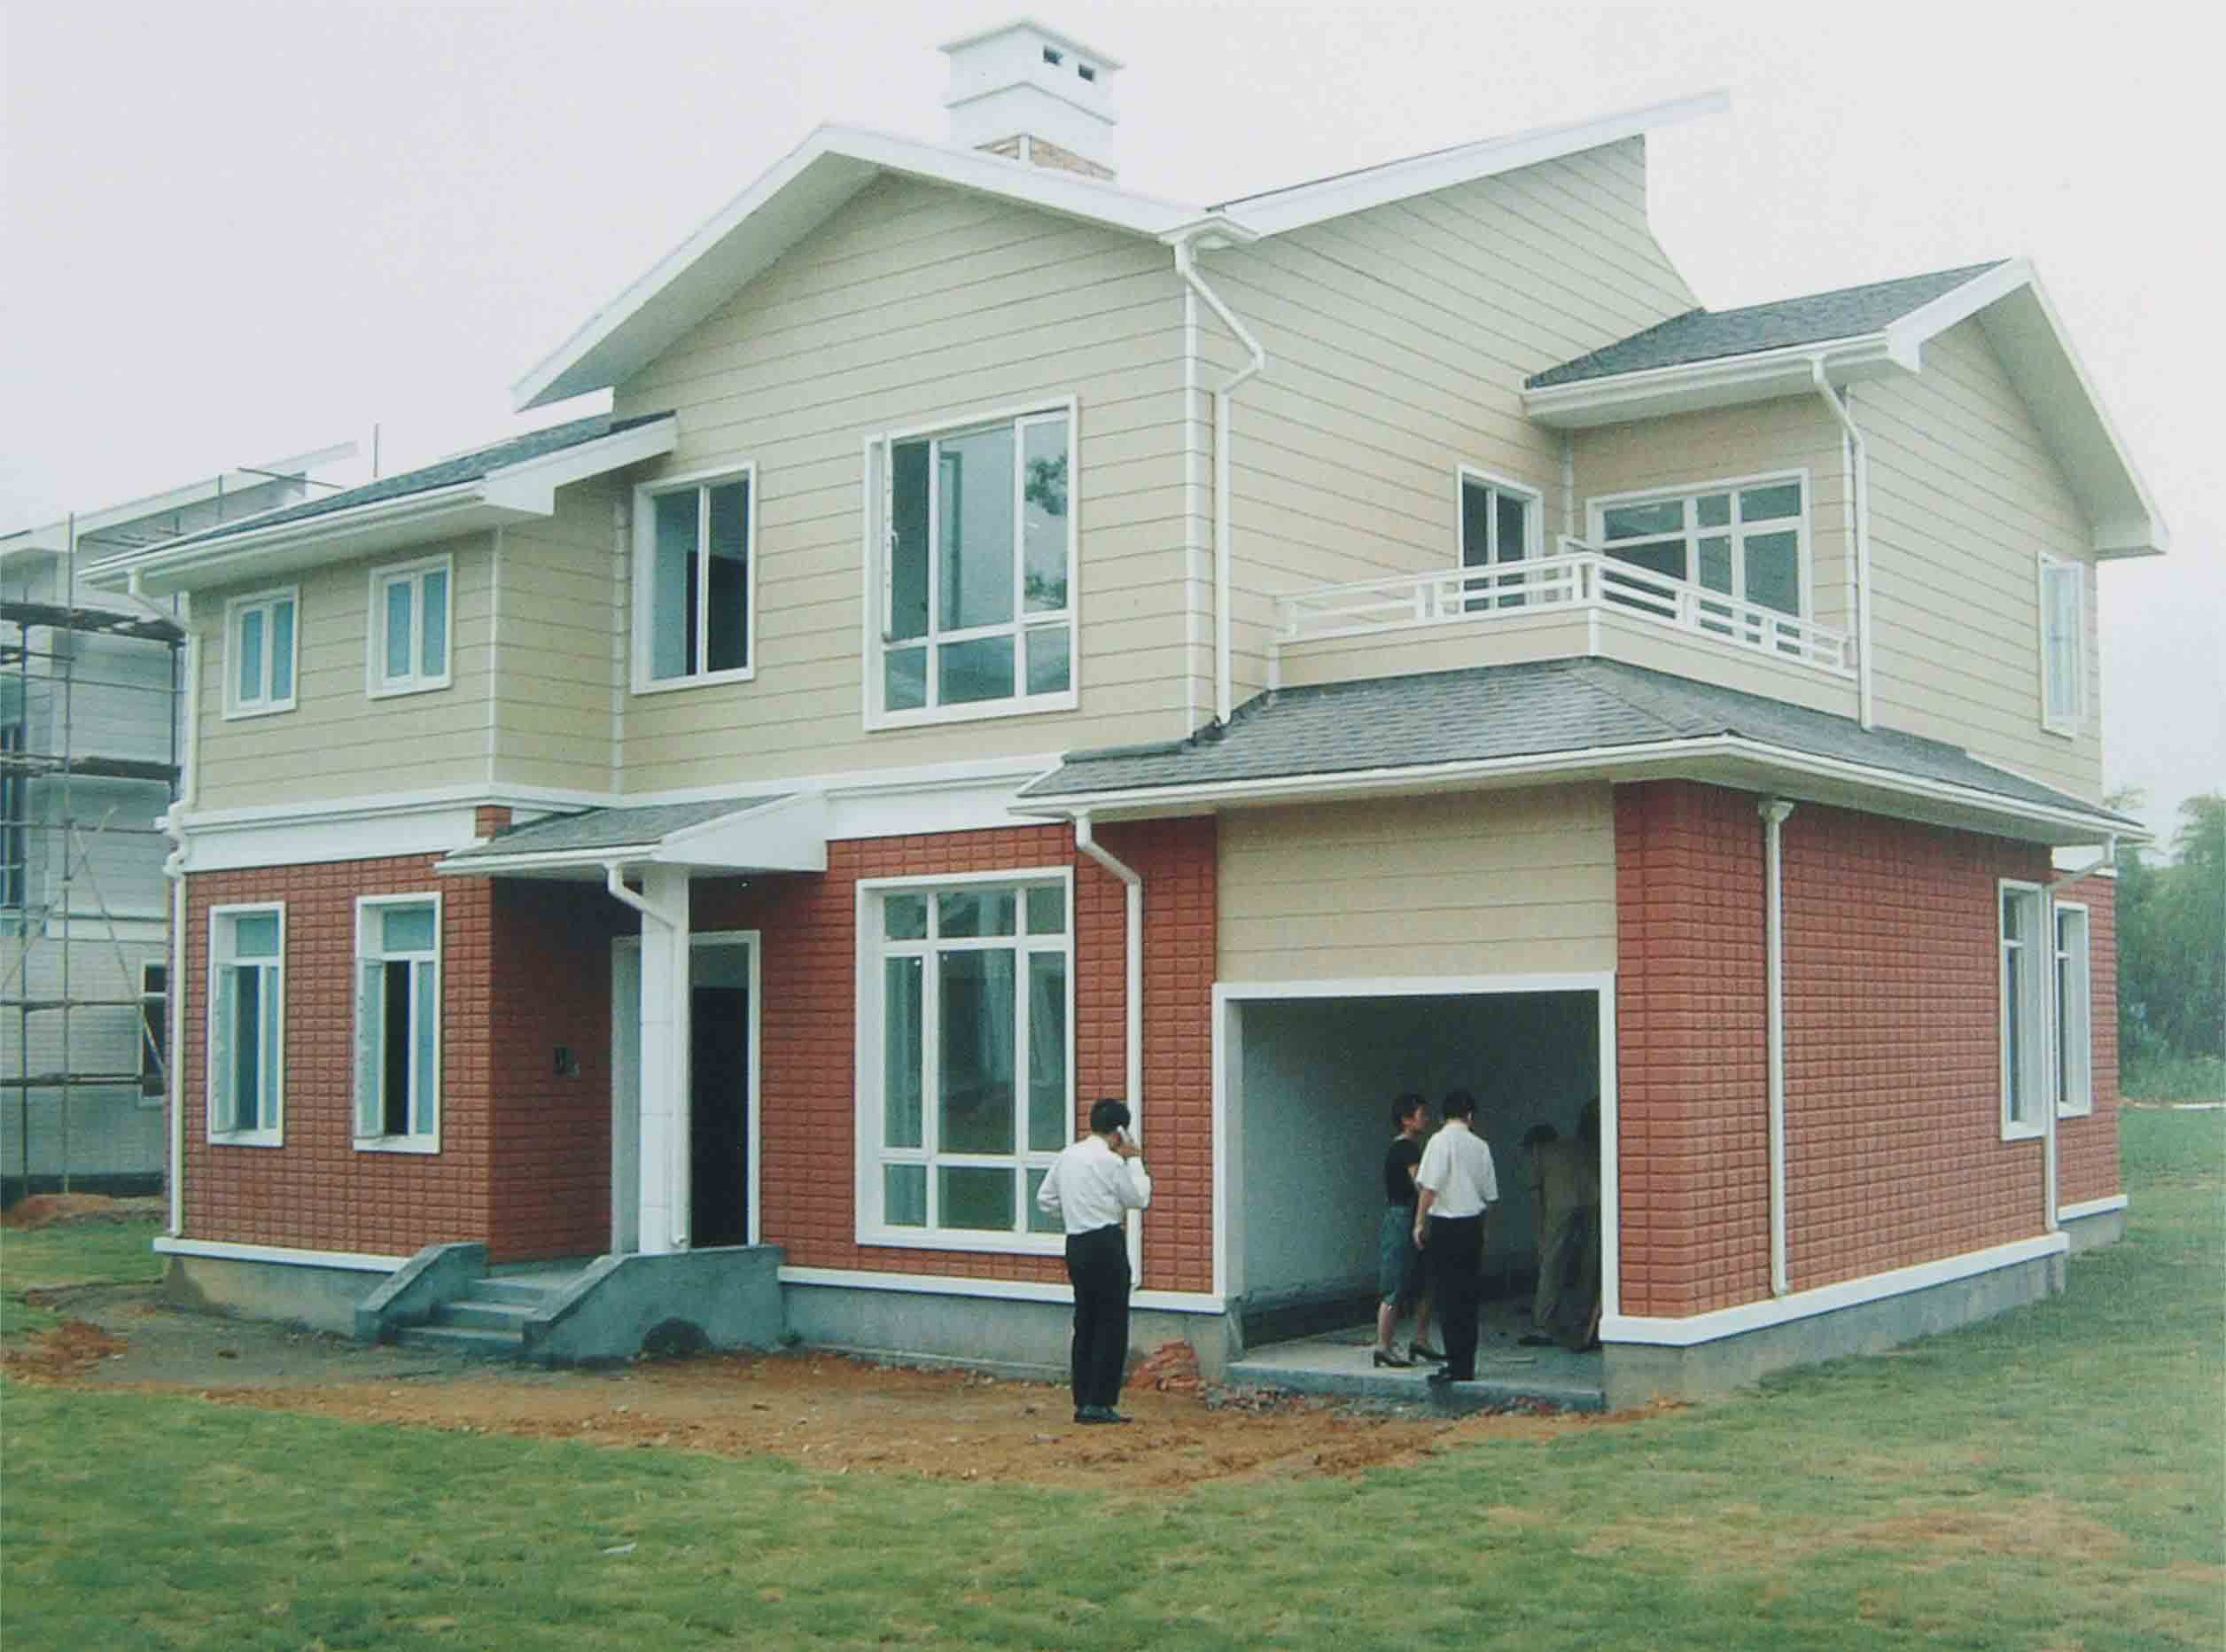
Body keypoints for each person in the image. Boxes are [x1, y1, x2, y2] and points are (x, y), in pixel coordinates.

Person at [1036, 1097, 1152, 1424]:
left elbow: (1045, 1199)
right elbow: (1139, 1198)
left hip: (1076, 1243)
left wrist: (1074, 1212)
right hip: (1105, 1242)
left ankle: (1083, 1399)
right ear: (1119, 1132)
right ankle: (1100, 1403)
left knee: (1085, 1321)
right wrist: (1134, 1161)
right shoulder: (1112, 1162)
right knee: (1111, 1323)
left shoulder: (1068, 1155)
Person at [1413, 1087, 1498, 1385]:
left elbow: (1429, 1187)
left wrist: (1419, 1223)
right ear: (1470, 1116)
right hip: (1472, 1225)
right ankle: (1467, 1364)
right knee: (1468, 1296)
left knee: (1448, 1297)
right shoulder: (1481, 1146)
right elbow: (1489, 1195)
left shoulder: (1438, 1142)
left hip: (1445, 1225)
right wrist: (1485, 1229)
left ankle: (1454, 1363)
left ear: (1442, 1116)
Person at [1373, 1094, 1441, 1367]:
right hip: (1403, 1217)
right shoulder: (1407, 1149)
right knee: (1397, 1282)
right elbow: (1420, 1184)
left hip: (1404, 1215)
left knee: (1424, 1280)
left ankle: (1418, 1341)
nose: (1426, 1119)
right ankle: (1384, 1345)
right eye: (1421, 1114)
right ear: (1406, 1119)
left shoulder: (1405, 1148)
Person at [1522, 1110, 1598, 1342]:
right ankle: (1585, 1318)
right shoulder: (1580, 1146)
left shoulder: (1540, 1152)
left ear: (1534, 1145)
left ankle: (1544, 1323)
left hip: (1560, 1204)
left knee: (1551, 1262)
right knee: (1591, 1260)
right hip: (1593, 1199)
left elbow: (1537, 1198)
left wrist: (1540, 1236)